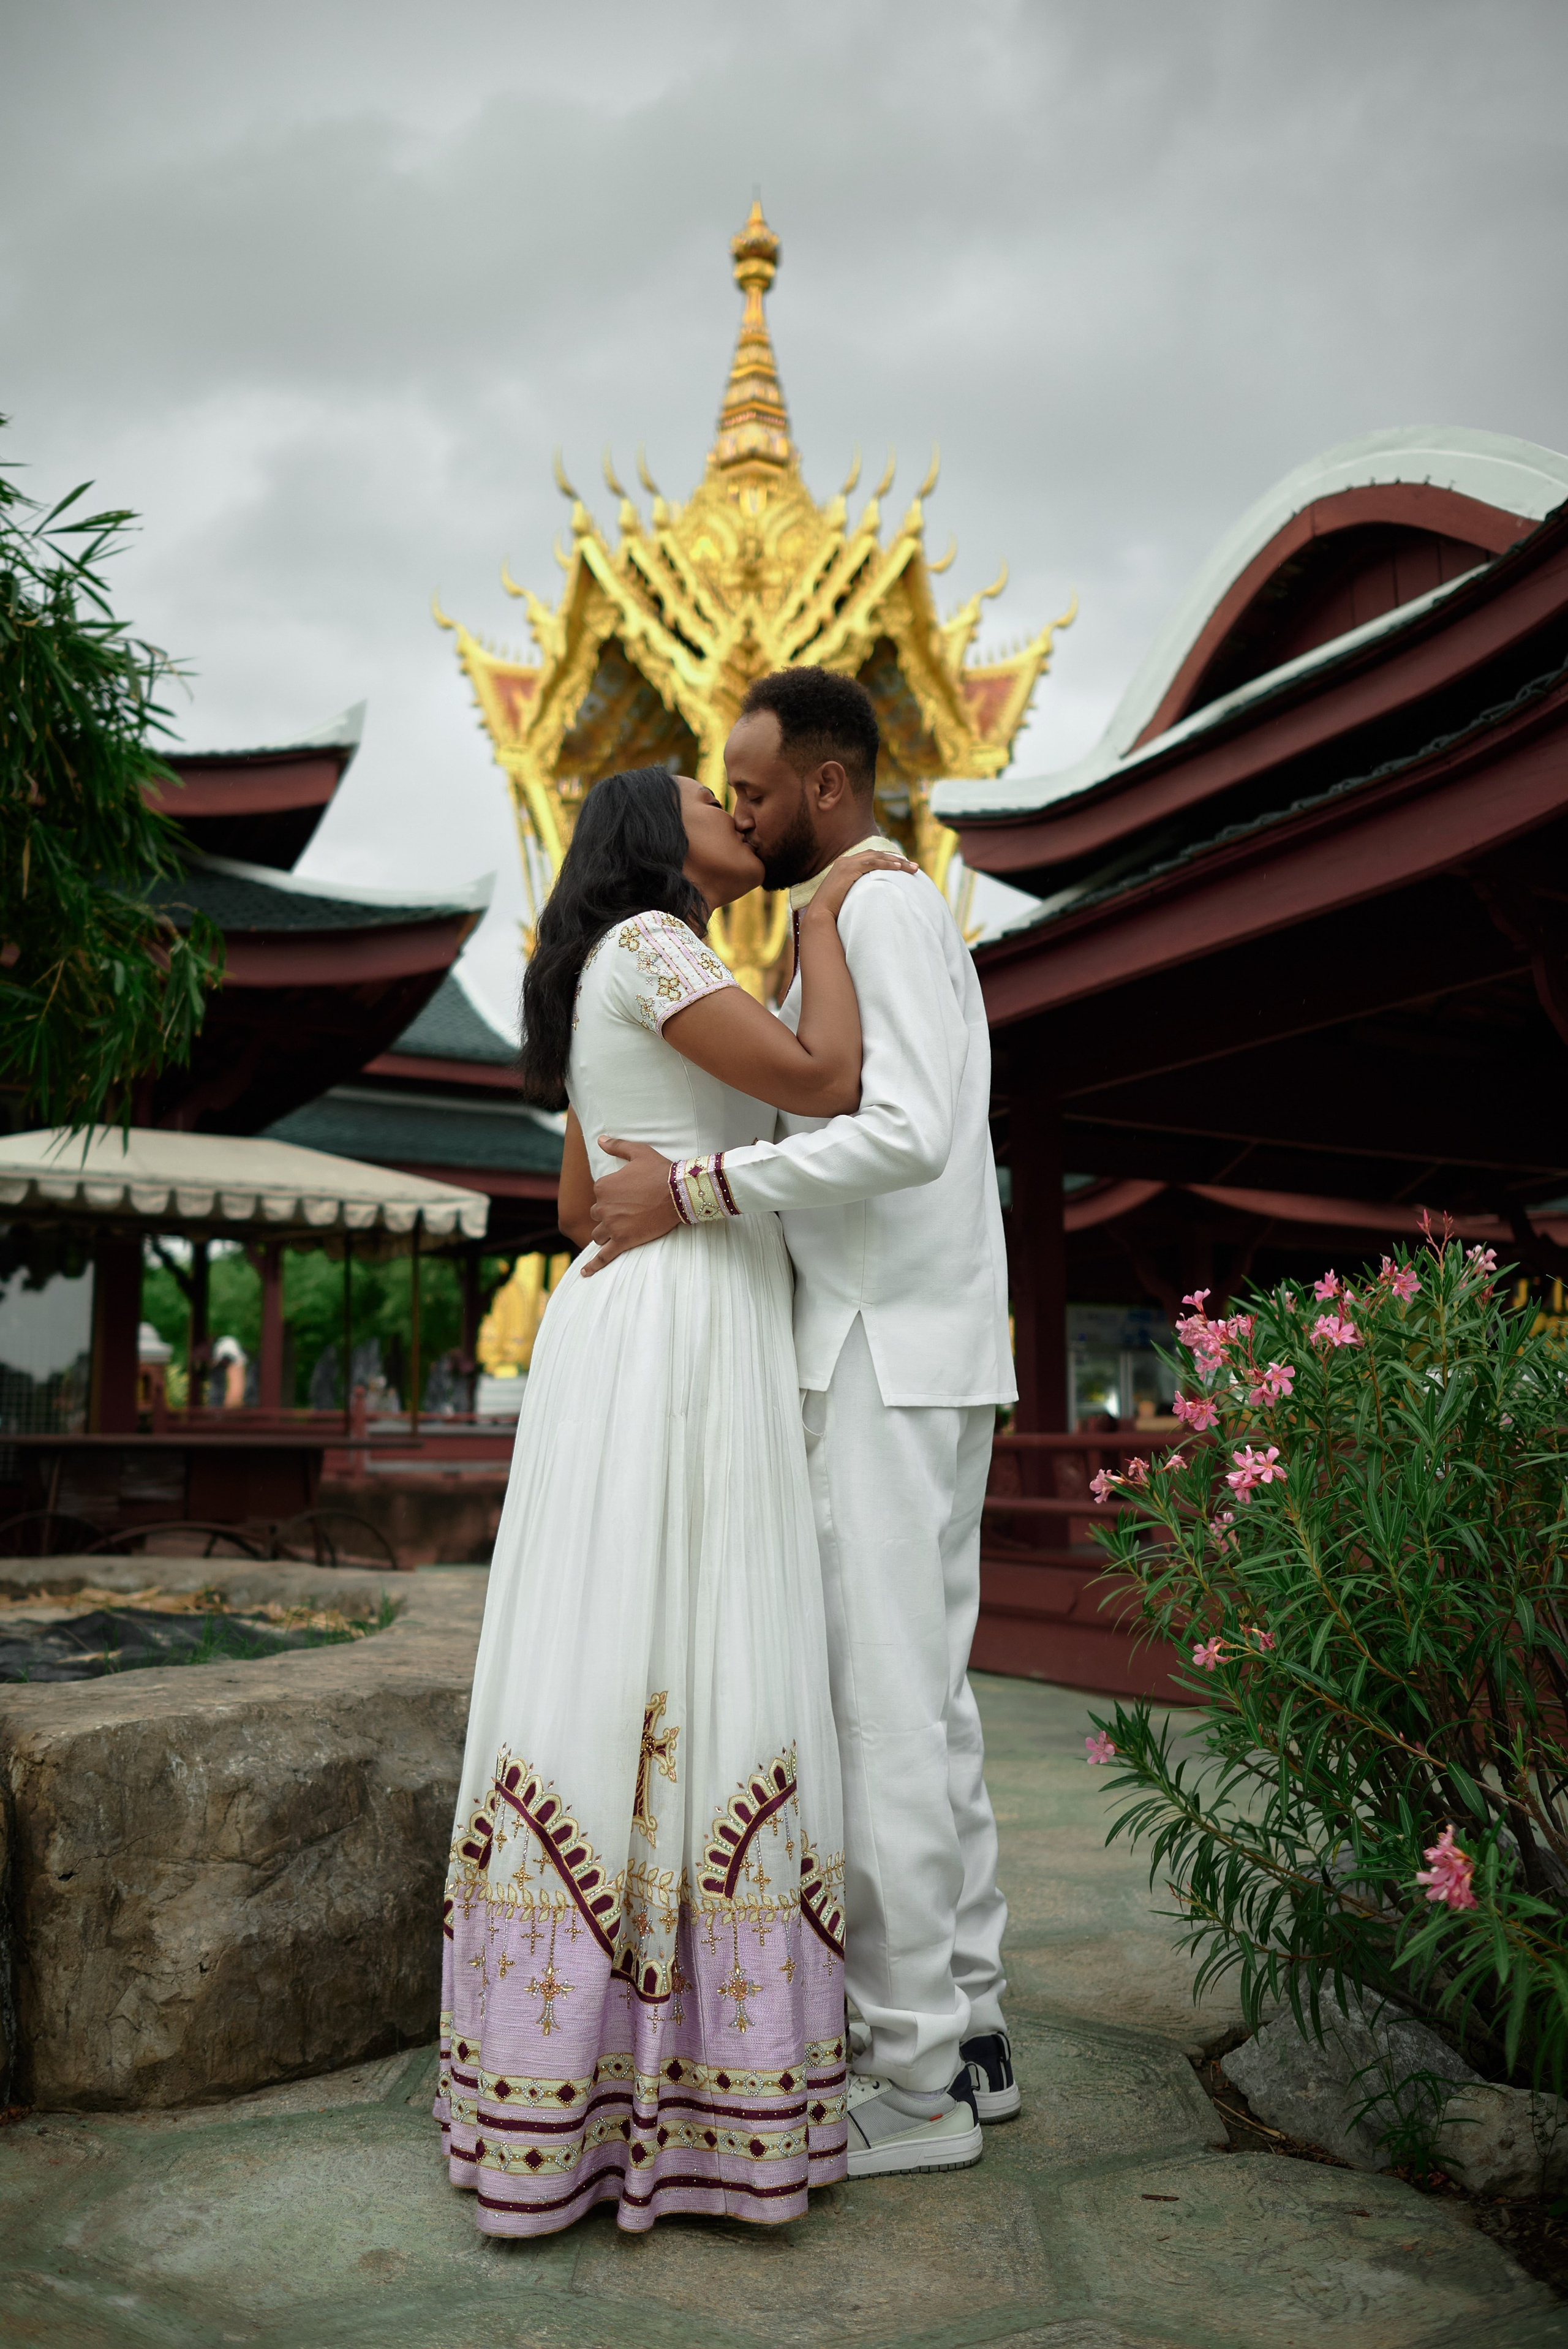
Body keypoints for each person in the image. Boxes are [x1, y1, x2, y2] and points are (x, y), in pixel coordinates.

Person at [435, 761, 918, 2239]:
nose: (735, 811)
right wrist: (826, 919)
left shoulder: (590, 967)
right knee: (697, 1630)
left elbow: (580, 1208)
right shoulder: (657, 944)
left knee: (607, 1631)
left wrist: (689, 1155)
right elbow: (829, 1083)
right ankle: (706, 2082)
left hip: (611, 1311)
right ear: (659, 837)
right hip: (690, 1310)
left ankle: (554, 2083)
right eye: (712, 796)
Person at [585, 668, 1019, 2179]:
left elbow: (896, 1133)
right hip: (915, 1345)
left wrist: (698, 1186)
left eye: (753, 789)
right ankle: (965, 2027)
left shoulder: (879, 904)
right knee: (931, 1705)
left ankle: (909, 2086)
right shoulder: (862, 912)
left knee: (884, 1715)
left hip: (876, 1348)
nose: (742, 809)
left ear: (824, 788)